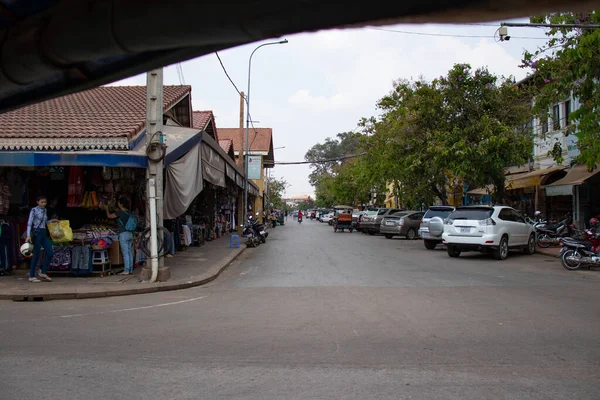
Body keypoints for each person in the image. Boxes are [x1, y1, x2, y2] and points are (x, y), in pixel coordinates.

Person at [26, 195, 56, 282]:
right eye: (42, 202)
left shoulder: (45, 210)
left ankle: (43, 272)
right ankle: (31, 276)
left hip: (43, 233)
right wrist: (28, 235)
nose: (43, 204)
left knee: (50, 252)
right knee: (36, 254)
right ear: (37, 202)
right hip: (37, 233)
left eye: (45, 202)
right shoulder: (34, 210)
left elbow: (45, 222)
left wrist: (52, 220)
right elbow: (29, 223)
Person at [104, 197, 135, 275]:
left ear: (121, 204)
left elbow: (109, 216)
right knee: (129, 252)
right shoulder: (129, 212)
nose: (117, 204)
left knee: (125, 253)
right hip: (130, 234)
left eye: (118, 203)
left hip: (123, 234)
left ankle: (126, 270)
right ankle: (130, 269)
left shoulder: (120, 212)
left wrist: (106, 209)